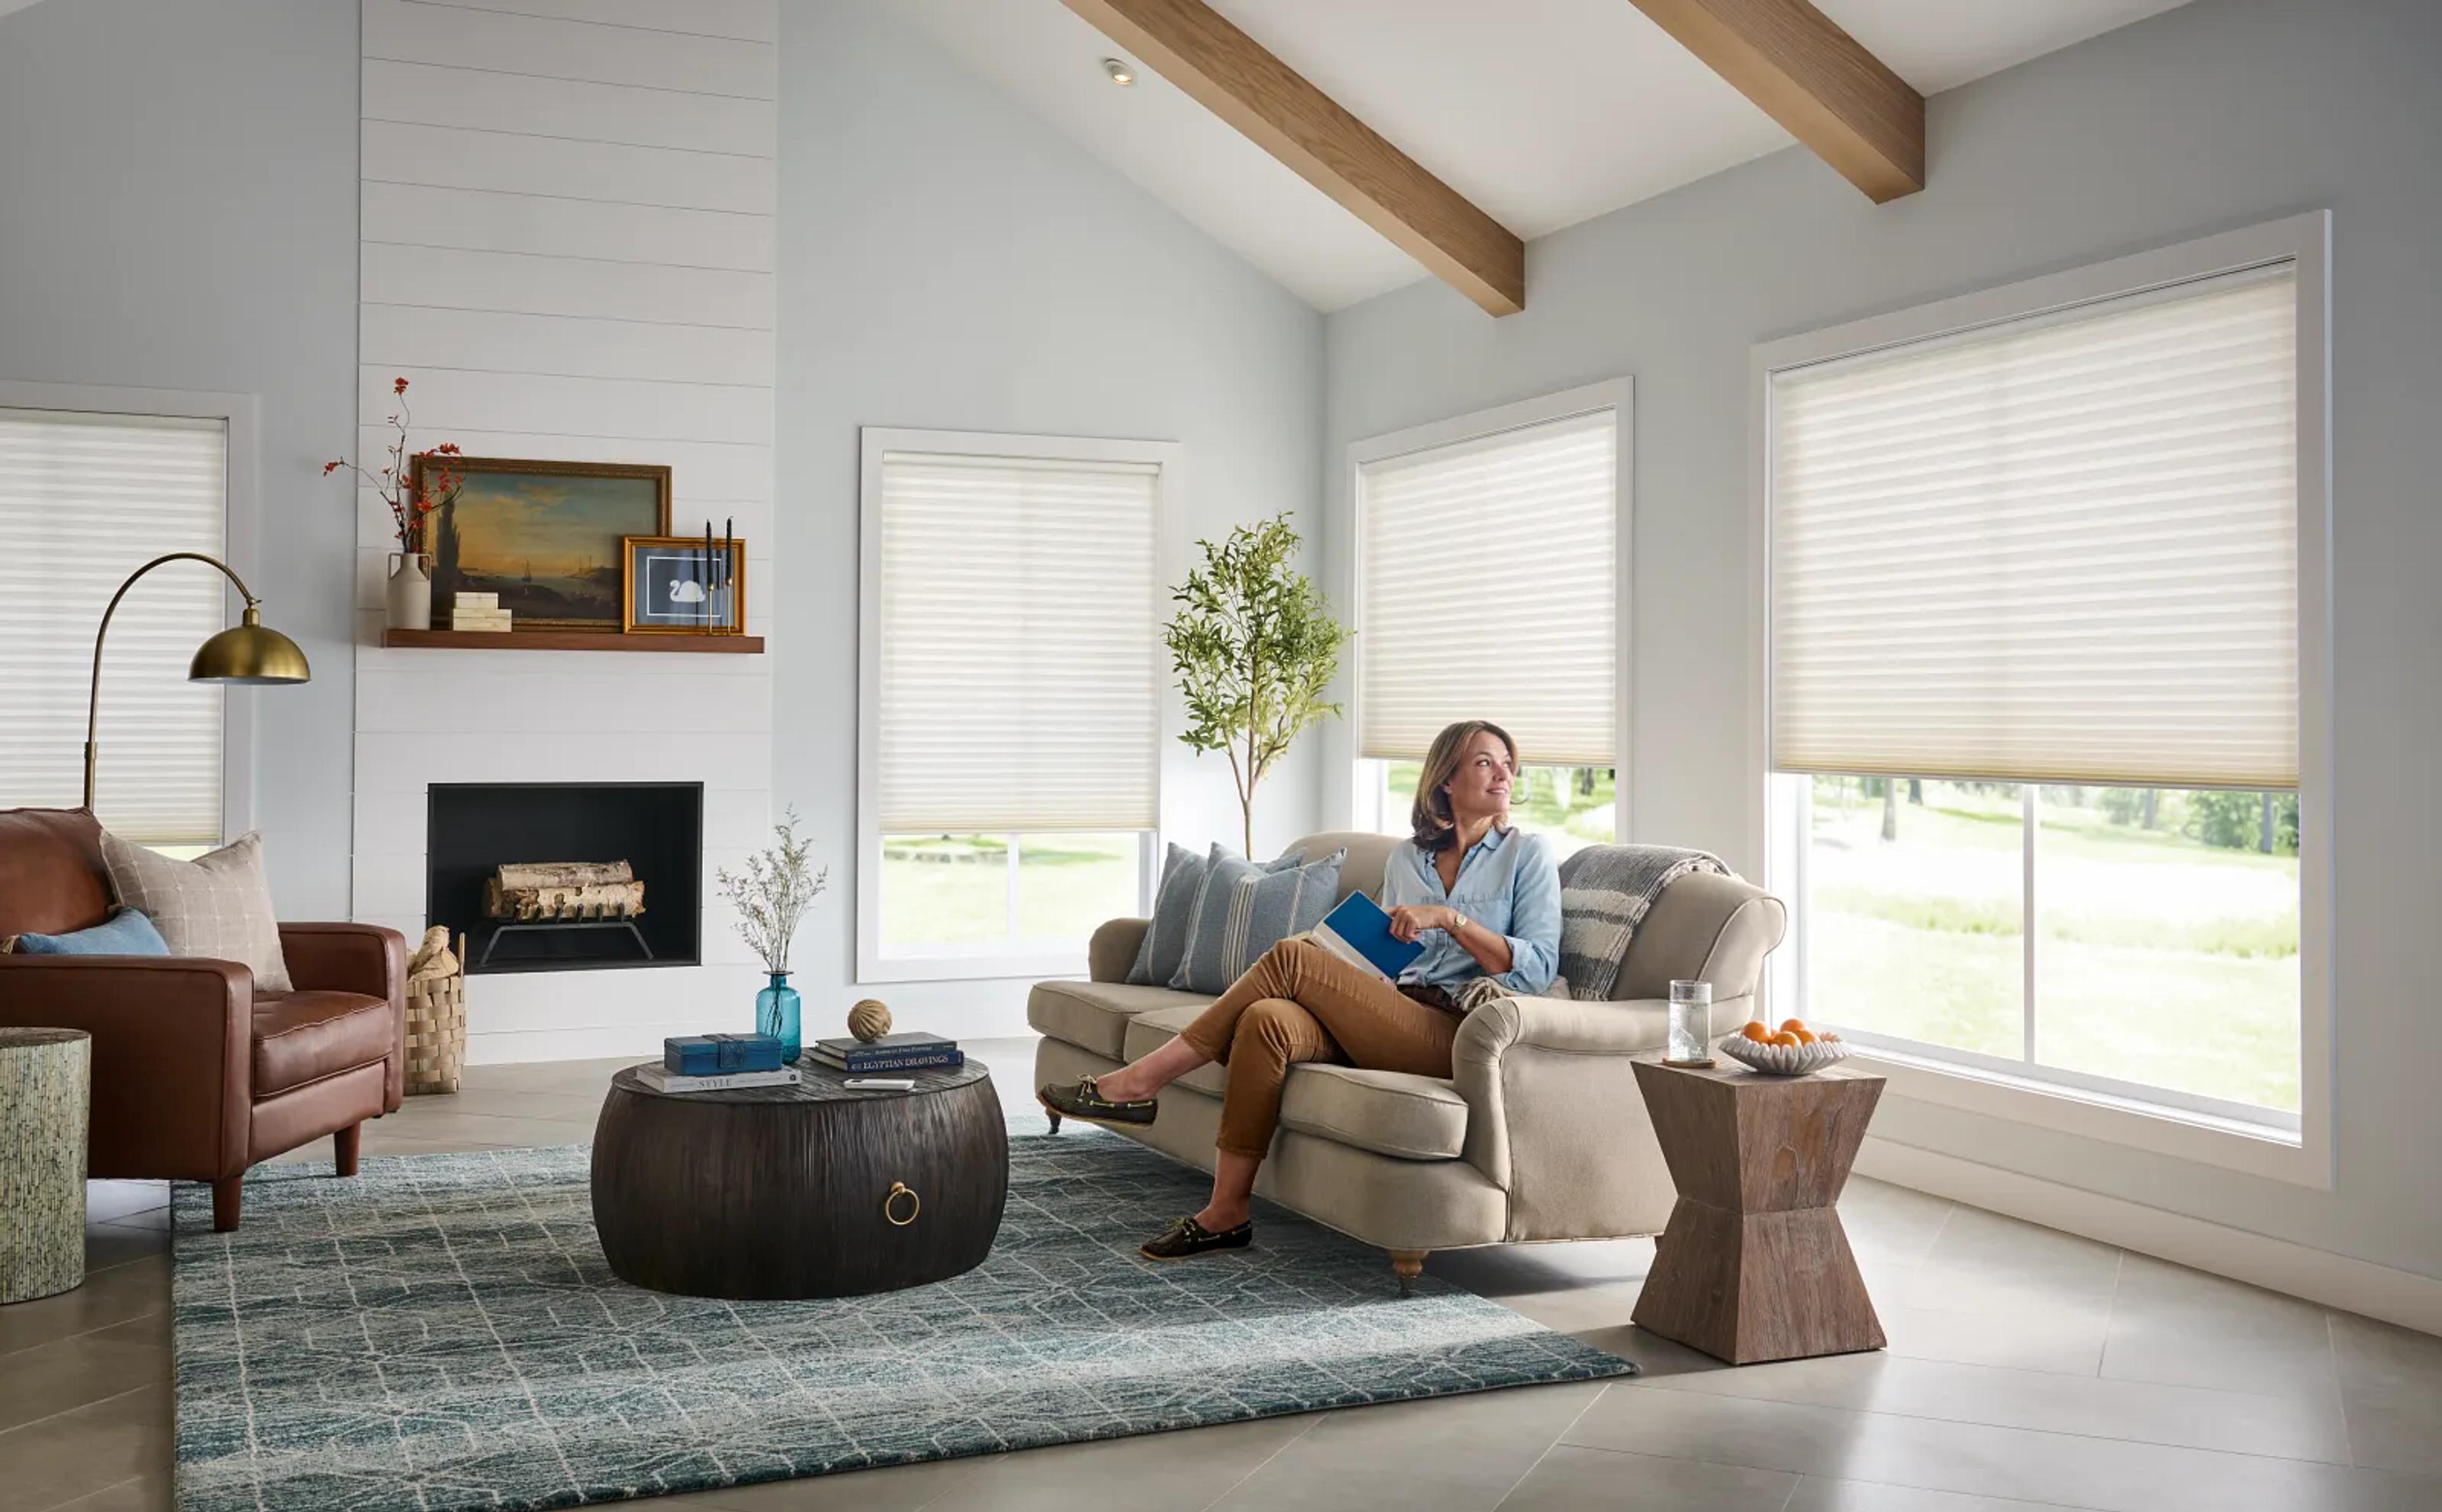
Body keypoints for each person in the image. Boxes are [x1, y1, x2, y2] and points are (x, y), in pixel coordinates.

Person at [1038, 718, 1562, 1261]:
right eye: (1485, 762)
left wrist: (1452, 920)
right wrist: (1362, 957)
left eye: (1507, 763)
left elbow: (1538, 969)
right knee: (1265, 1018)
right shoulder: (1410, 858)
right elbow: (1398, 960)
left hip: (1454, 1031)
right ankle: (1227, 1213)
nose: (1503, 773)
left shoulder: (1528, 855)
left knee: (1292, 956)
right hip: (1391, 1009)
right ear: (1447, 779)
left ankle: (1141, 1081)